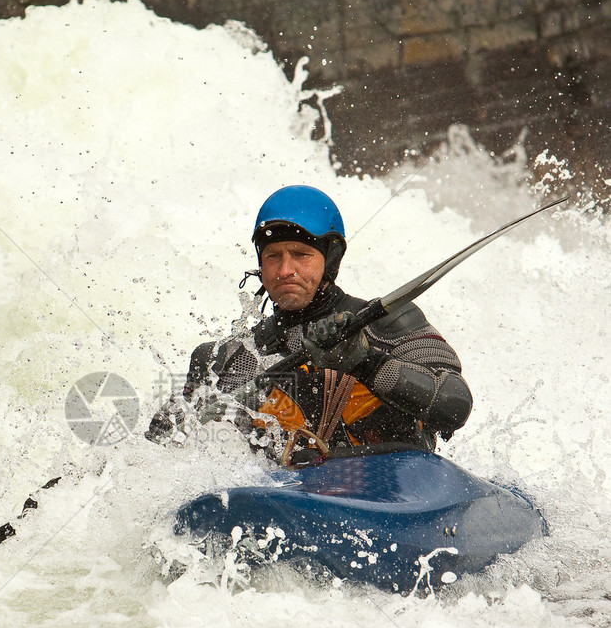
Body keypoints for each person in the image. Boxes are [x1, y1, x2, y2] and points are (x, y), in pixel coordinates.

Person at [147, 184, 472, 465]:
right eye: (273, 256)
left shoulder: (388, 323)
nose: (285, 269)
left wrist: (366, 362)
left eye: (301, 254)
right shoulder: (228, 358)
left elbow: (455, 406)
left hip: (389, 495)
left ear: (330, 258)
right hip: (285, 511)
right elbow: (160, 451)